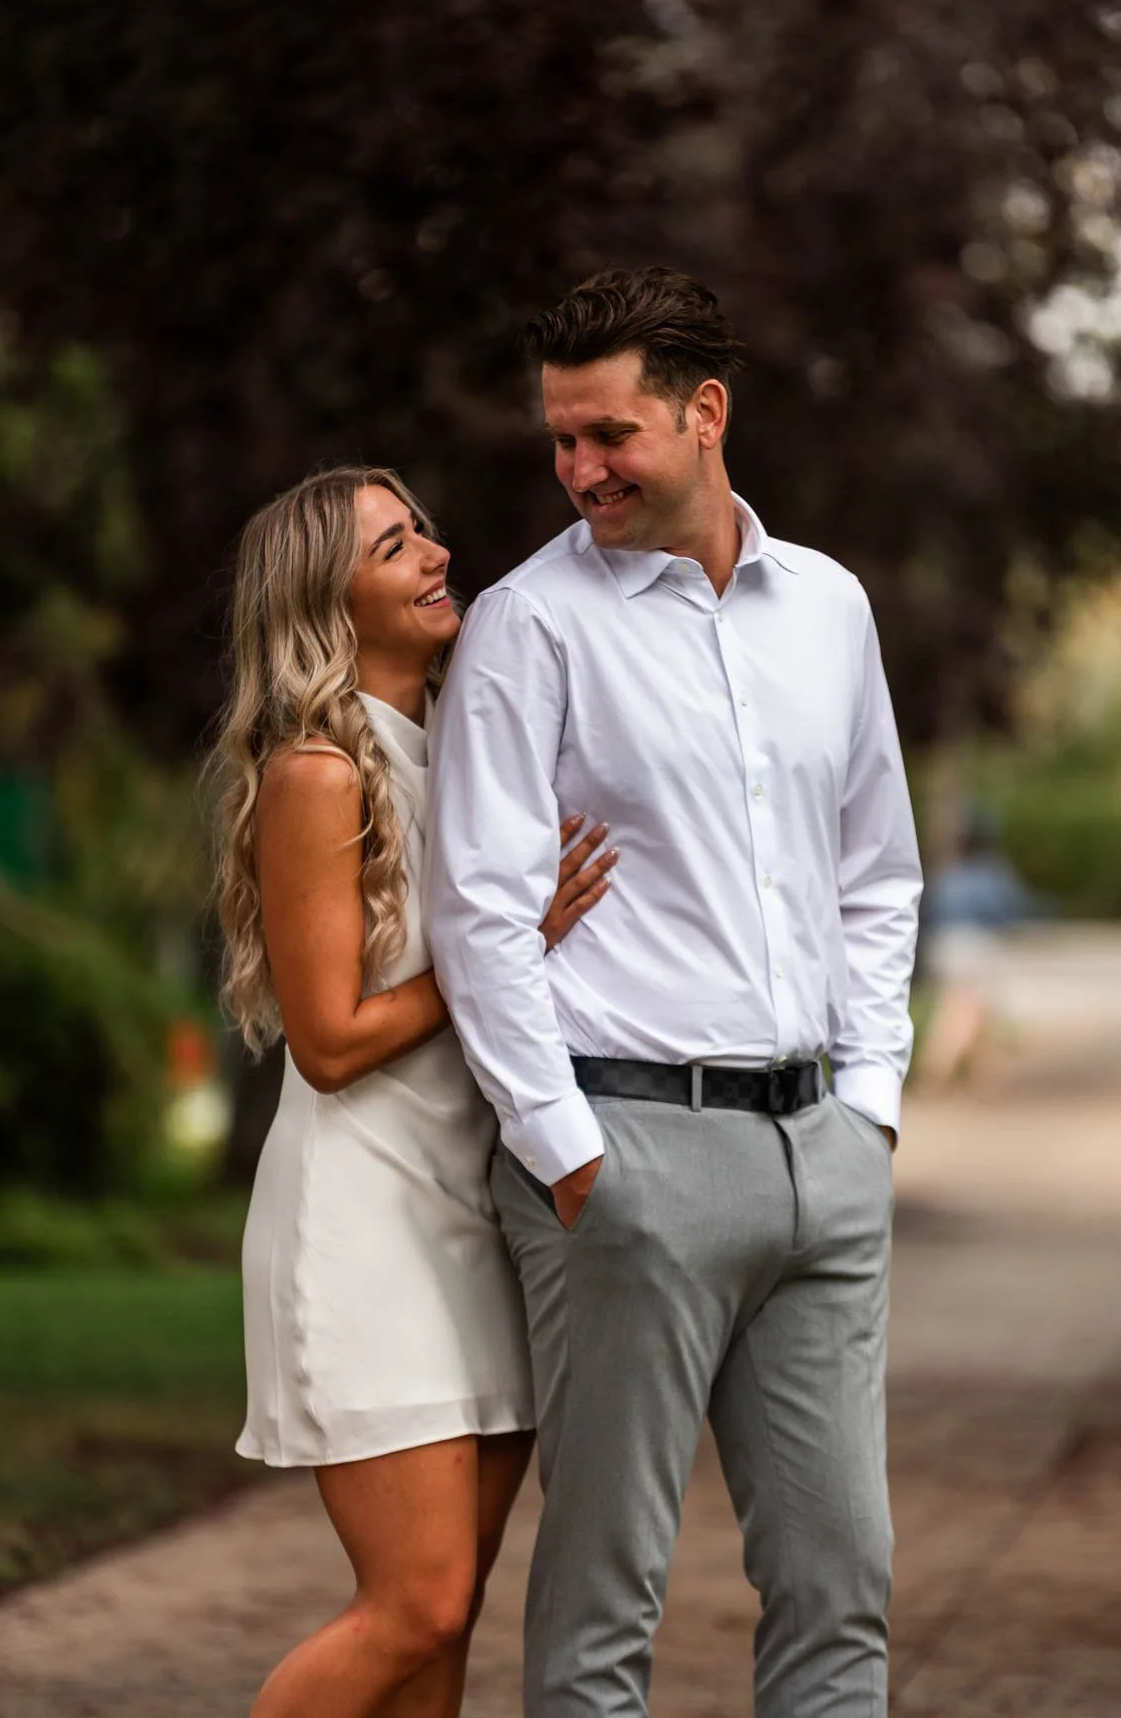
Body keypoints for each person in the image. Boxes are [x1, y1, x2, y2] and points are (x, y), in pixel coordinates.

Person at [425, 269, 923, 1718]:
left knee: (841, 1584)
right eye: (560, 440)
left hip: (820, 1157)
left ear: (704, 413)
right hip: (624, 1156)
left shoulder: (827, 606)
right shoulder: (530, 624)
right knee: (604, 1606)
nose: (580, 469)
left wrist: (869, 1104)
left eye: (609, 435)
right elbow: (478, 911)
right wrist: (568, 1152)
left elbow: (875, 872)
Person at [208, 465, 616, 1718]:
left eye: (421, 531)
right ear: (324, 603)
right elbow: (328, 1042)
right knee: (415, 1605)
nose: (435, 554)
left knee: (448, 1624)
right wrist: (504, 950)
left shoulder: (463, 752)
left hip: (475, 1219)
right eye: (393, 547)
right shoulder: (319, 773)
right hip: (364, 1221)